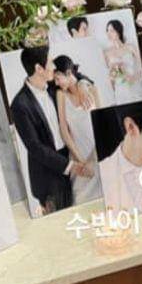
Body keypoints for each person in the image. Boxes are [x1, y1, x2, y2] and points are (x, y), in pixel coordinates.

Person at [11, 45, 82, 214]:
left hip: (70, 158)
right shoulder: (19, 105)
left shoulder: (53, 86)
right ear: (39, 68)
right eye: (50, 62)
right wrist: (69, 166)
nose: (54, 66)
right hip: (49, 175)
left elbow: (74, 74)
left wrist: (84, 86)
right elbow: (34, 147)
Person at [51, 55, 102, 204]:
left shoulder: (92, 89)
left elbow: (103, 123)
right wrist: (81, 161)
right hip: (79, 157)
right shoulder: (61, 94)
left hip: (98, 153)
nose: (56, 83)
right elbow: (64, 131)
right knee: (81, 200)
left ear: (68, 73)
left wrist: (94, 158)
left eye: (57, 78)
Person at [103, 19, 142, 103]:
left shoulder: (130, 47)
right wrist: (113, 74)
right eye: (107, 30)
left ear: (118, 31)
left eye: (111, 30)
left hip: (134, 83)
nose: (108, 33)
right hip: (120, 89)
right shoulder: (106, 53)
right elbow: (109, 76)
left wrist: (134, 78)